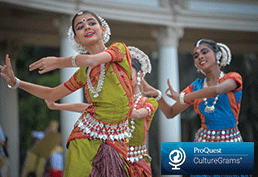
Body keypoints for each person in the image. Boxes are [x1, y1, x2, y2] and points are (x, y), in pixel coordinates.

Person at [0, 10, 134, 177]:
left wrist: (58, 62)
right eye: (80, 26)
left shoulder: (119, 49)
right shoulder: (84, 72)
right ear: (77, 38)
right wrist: (16, 83)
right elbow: (52, 94)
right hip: (86, 136)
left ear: (103, 29)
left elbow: (92, 59)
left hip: (118, 139)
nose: (86, 27)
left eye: (91, 23)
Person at [141, 39, 250, 177]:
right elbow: (170, 112)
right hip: (203, 147)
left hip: (231, 148)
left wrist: (183, 97)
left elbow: (216, 90)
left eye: (205, 52)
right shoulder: (196, 86)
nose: (200, 57)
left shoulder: (233, 78)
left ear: (217, 55)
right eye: (196, 56)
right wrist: (157, 95)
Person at [45, 46, 158, 177]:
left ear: (139, 75)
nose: (124, 77)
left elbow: (138, 114)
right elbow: (88, 108)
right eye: (121, 74)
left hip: (138, 164)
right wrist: (58, 106)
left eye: (128, 73)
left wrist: (113, 107)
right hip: (116, 155)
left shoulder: (149, 102)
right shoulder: (114, 99)